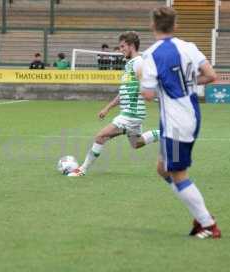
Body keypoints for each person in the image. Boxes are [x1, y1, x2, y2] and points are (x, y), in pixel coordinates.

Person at [140, 6, 221, 239]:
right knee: (162, 168)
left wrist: (155, 85)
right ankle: (200, 212)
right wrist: (186, 83)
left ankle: (207, 223)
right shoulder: (189, 47)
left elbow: (147, 94)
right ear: (175, 26)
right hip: (191, 116)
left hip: (176, 123)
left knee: (177, 173)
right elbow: (211, 75)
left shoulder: (151, 55)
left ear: (152, 26)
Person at [68, 31, 159, 177]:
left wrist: (147, 92)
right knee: (136, 143)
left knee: (100, 136)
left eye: (123, 46)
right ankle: (163, 133)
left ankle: (82, 170)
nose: (121, 49)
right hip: (133, 113)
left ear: (131, 46)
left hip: (131, 114)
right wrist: (107, 108)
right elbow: (124, 92)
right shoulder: (129, 64)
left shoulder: (139, 63)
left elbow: (146, 85)